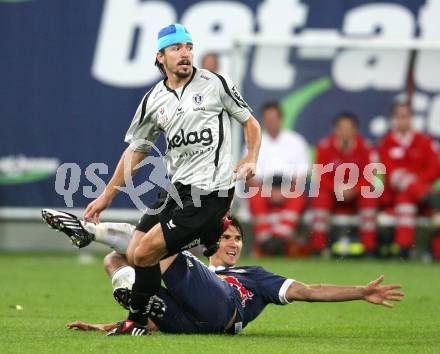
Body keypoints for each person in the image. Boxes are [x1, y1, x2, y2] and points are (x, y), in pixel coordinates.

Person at [80, 23, 262, 334]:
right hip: (175, 190)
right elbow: (135, 152)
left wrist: (250, 158)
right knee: (136, 252)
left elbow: (251, 124)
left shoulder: (215, 84)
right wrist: (107, 196)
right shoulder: (154, 100)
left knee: (146, 253)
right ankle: (142, 312)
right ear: (161, 56)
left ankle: (136, 321)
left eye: (189, 47)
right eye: (177, 48)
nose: (186, 53)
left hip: (210, 192)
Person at [41, 209, 404, 336]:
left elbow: (309, 290)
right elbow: (150, 320)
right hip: (186, 323)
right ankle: (102, 248)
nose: (232, 243)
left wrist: (360, 290)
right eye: (227, 236)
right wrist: (104, 325)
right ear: (215, 241)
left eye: (238, 238)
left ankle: (91, 231)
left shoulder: (255, 276)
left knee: (156, 249)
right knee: (115, 263)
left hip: (223, 308)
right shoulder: (200, 266)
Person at [378, 101, 440, 259]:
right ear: (393, 118)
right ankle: (431, 199)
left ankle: (403, 249)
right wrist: (415, 184)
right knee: (403, 189)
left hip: (421, 201)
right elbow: (389, 173)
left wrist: (416, 181)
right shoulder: (386, 143)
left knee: (406, 193)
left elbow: (435, 169)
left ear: (412, 118)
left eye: (406, 116)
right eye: (399, 116)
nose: (403, 120)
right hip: (397, 198)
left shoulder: (425, 141)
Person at [247, 102, 310, 256]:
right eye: (268, 119)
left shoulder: (296, 141)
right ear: (262, 121)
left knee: (297, 196)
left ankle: (280, 239)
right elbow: (248, 175)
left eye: (274, 119)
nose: (271, 123)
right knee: (254, 197)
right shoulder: (253, 142)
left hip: (290, 188)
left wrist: (284, 191)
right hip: (262, 188)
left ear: (281, 119)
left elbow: (303, 174)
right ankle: (265, 240)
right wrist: (268, 191)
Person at [310, 113, 378, 255]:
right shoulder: (324, 147)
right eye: (341, 128)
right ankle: (318, 249)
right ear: (335, 130)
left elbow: (370, 175)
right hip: (332, 193)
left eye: (348, 128)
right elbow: (321, 175)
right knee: (320, 198)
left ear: (355, 131)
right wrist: (336, 189)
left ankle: (369, 249)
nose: (345, 132)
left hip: (356, 194)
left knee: (369, 197)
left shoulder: (366, 148)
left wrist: (354, 189)